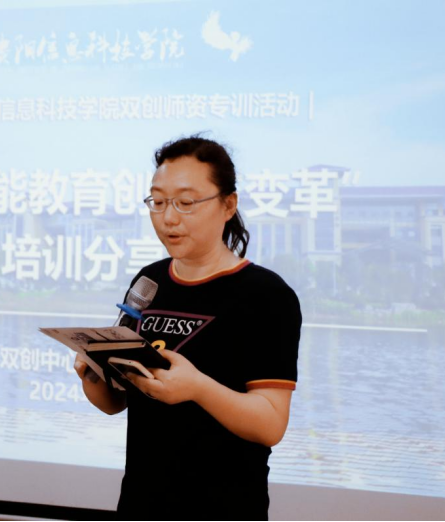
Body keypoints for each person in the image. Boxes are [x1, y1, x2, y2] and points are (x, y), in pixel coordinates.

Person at [73, 135, 302, 520]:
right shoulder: (149, 281)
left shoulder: (266, 294)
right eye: (158, 201)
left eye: (185, 202)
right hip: (141, 503)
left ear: (228, 205)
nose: (168, 218)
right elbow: (115, 404)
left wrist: (198, 388)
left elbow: (270, 425)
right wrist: (94, 374)